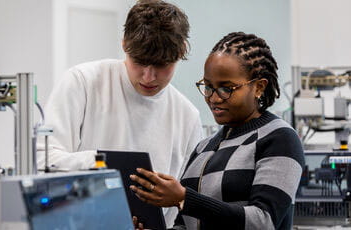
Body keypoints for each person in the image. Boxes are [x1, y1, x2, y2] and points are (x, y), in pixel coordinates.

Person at [37, 0, 203, 226]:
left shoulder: (187, 117)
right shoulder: (83, 82)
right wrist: (103, 164)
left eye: (161, 65)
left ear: (181, 51)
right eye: (140, 63)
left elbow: (186, 204)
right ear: (124, 44)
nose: (148, 77)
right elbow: (42, 159)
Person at [130, 32, 305, 230]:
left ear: (258, 87)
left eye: (226, 88)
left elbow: (263, 221)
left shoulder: (279, 138)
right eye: (208, 86)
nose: (213, 98)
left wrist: (185, 199)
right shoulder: (204, 147)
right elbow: (186, 225)